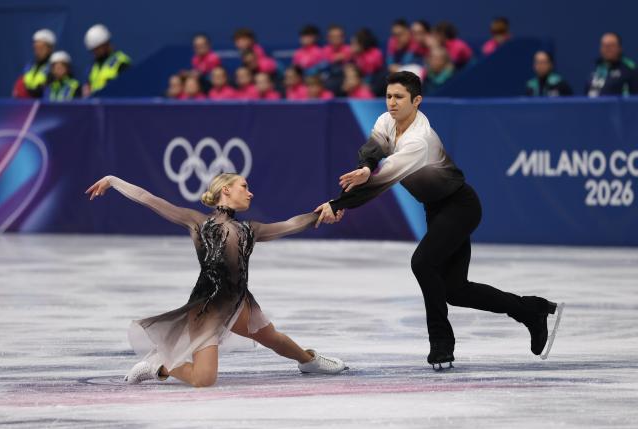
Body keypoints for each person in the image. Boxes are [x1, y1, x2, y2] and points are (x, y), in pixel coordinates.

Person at [315, 71, 563, 369]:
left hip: (460, 206)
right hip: (436, 209)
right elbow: (372, 150)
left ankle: (442, 344)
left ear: (417, 101)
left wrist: (338, 203)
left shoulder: (419, 140)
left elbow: (382, 181)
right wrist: (366, 167)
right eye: (389, 96)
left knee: (422, 263)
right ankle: (529, 309)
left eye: (399, 97)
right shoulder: (385, 121)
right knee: (455, 291)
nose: (392, 103)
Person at [85, 173, 347, 386]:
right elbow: (148, 198)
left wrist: (323, 213)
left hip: (237, 301)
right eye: (244, 186)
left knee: (273, 338)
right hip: (207, 308)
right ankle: (159, 365)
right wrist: (113, 180)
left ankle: (309, 361)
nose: (250, 192)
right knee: (203, 380)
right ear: (226, 190)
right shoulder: (197, 222)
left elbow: (291, 224)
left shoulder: (249, 230)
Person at [83, 24, 131, 97]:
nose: (95, 53)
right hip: (97, 106)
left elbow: (128, 88)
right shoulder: (93, 67)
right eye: (93, 50)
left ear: (105, 44)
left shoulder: (121, 62)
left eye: (97, 49)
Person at [586, 32, 638, 97]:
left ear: (619, 48)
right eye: (604, 45)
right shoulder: (596, 69)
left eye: (611, 45)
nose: (607, 49)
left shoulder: (630, 70)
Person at [14, 28, 55, 98]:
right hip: (27, 106)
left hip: (45, 106)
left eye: (41, 48)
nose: (38, 51)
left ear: (50, 49)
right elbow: (20, 88)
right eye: (36, 48)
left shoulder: (54, 68)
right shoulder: (29, 67)